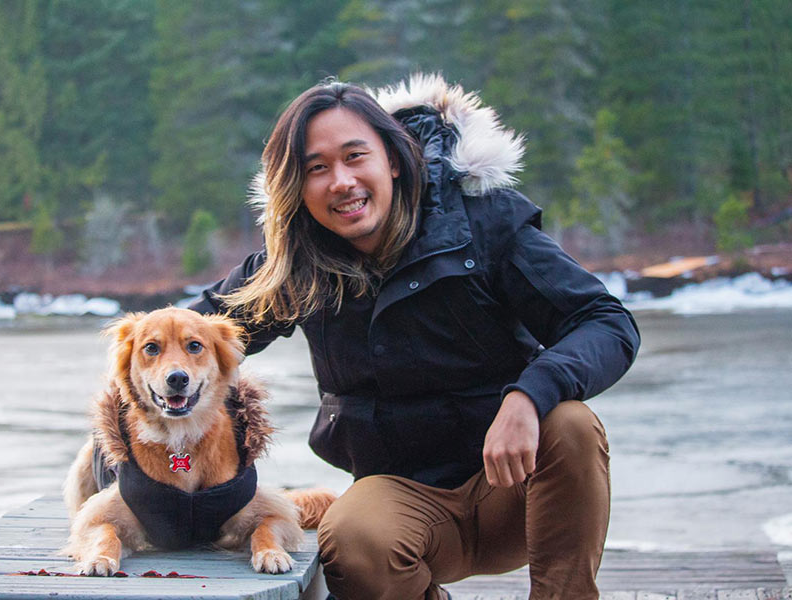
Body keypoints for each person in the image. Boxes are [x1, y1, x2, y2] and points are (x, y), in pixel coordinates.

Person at [188, 73, 640, 600]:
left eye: (356, 156)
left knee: (570, 424)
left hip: (515, 489)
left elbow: (606, 321)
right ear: (296, 186)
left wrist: (529, 395)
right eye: (317, 168)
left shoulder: (483, 223)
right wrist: (135, 422)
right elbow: (191, 335)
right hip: (402, 499)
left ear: (395, 160)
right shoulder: (298, 263)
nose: (341, 182)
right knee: (352, 537)